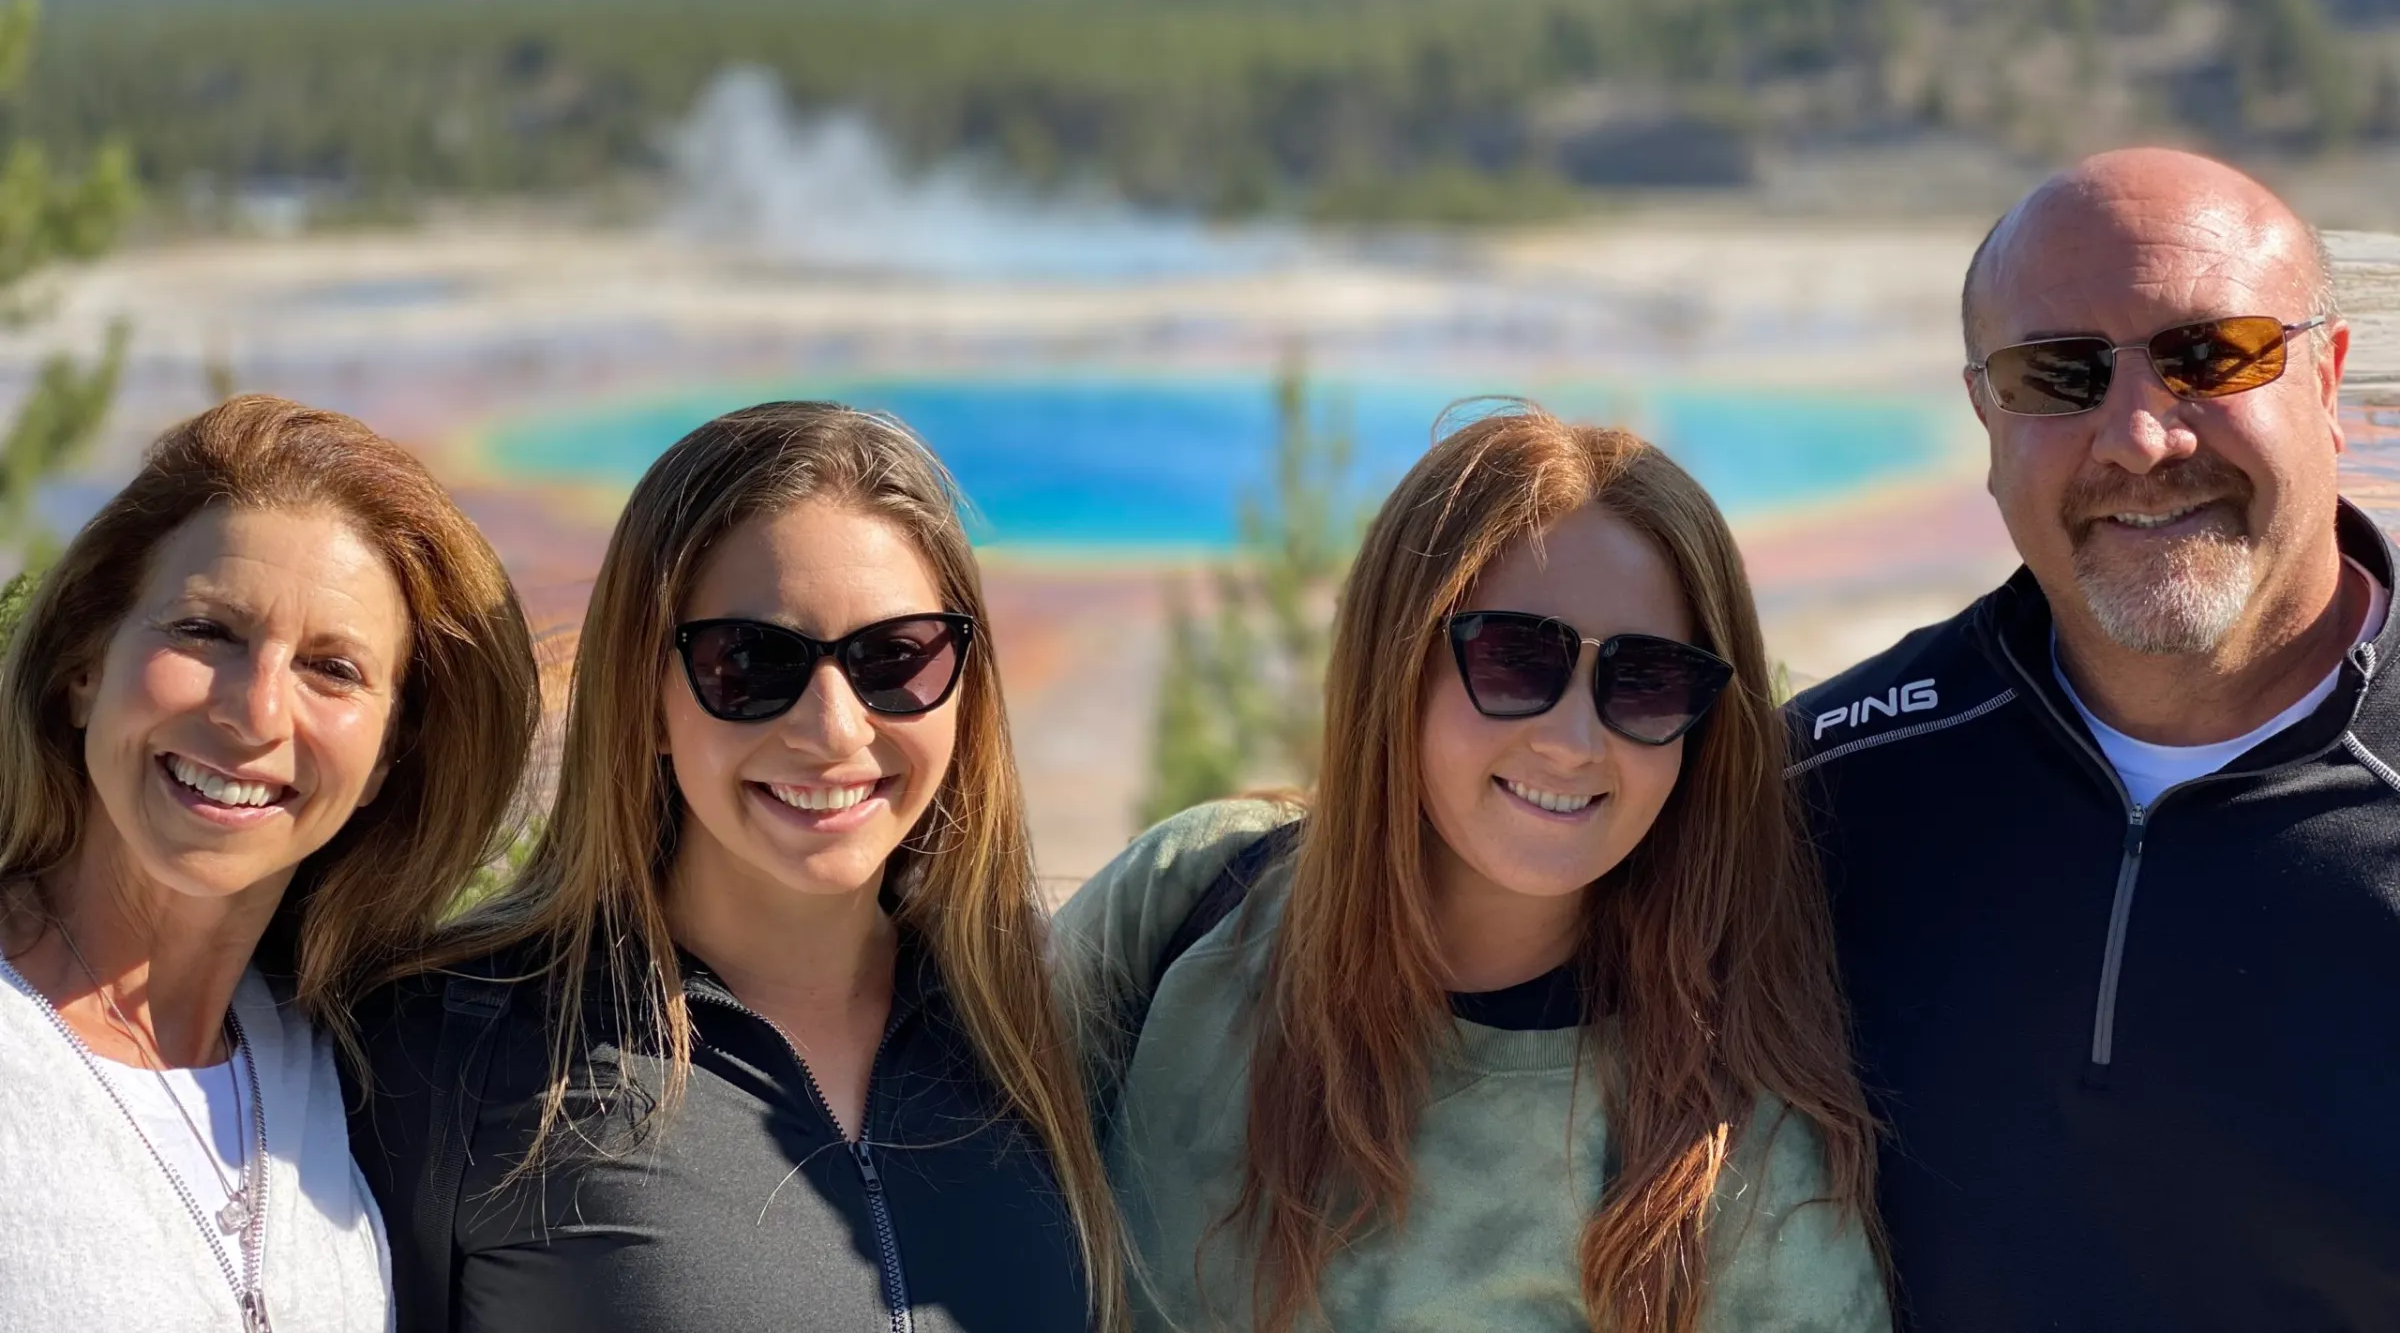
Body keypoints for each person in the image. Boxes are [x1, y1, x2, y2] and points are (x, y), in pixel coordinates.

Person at [1059, 406, 1887, 1333]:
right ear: (1396, 660)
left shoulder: (1737, 1153)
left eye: (1647, 680)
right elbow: (916, 1175)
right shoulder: (1190, 897)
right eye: (1512, 658)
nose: (1574, 741)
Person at [349, 400, 1124, 1332]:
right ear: (648, 696)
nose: (834, 728)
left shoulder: (1039, 1027)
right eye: (751, 662)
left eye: (896, 658)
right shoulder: (449, 1045)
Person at [1790, 147, 2400, 1329]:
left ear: (2327, 381)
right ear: (1984, 416)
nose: (2138, 437)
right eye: (2057, 374)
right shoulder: (1821, 787)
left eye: (2212, 356)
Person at [0, 394, 541, 1331]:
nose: (255, 715)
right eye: (206, 631)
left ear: (386, 760)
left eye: (332, 669)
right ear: (84, 668)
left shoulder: (360, 1065)